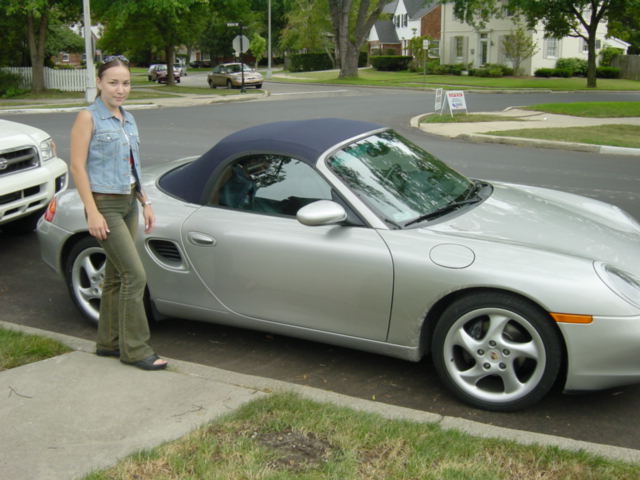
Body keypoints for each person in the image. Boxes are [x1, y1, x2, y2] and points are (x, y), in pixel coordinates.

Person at [70, 55, 167, 371]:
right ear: (99, 83)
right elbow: (77, 167)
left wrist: (144, 200)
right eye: (113, 82)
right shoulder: (89, 118)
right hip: (105, 205)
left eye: (125, 83)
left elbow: (133, 165)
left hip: (128, 202)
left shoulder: (128, 118)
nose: (120, 89)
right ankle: (136, 349)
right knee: (134, 275)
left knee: (114, 276)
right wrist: (92, 211)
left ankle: (108, 342)